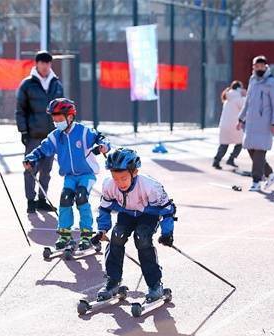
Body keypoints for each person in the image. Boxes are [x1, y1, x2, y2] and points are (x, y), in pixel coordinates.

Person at [24, 98, 110, 251]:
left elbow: (100, 137)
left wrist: (104, 146)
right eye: (54, 119)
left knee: (82, 198)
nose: (56, 122)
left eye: (59, 118)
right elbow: (42, 149)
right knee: (65, 200)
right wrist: (31, 158)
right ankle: (64, 234)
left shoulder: (83, 132)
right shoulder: (55, 136)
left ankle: (86, 234)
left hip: (87, 174)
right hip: (69, 176)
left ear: (70, 117)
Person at [93, 148, 177, 303]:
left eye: (123, 178)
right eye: (115, 178)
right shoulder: (109, 185)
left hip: (148, 216)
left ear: (135, 172)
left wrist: (167, 233)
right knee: (117, 235)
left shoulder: (150, 186)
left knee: (142, 237)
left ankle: (155, 285)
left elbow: (167, 210)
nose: (119, 183)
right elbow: (104, 209)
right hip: (126, 214)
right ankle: (112, 282)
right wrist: (102, 229)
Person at [16, 51, 64, 213]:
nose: (45, 66)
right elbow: (20, 110)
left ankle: (42, 200)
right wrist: (23, 131)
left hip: (51, 136)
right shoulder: (27, 84)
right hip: (33, 136)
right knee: (30, 168)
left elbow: (63, 110)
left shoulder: (57, 84)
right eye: (42, 63)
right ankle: (31, 200)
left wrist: (62, 130)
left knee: (47, 171)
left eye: (48, 63)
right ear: (36, 64)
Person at [237, 55, 274, 191]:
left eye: (261, 66)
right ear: (253, 67)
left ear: (266, 66)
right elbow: (247, 101)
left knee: (259, 153)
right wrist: (241, 118)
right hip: (250, 123)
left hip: (264, 124)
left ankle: (256, 181)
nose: (259, 68)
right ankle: (270, 174)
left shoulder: (272, 82)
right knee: (251, 149)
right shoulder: (253, 80)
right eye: (257, 66)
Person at [213, 80, 246, 169]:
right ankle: (231, 158)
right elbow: (245, 107)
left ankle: (217, 160)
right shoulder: (239, 98)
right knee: (240, 143)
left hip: (224, 124)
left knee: (224, 144)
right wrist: (245, 96)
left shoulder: (228, 98)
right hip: (235, 125)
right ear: (239, 88)